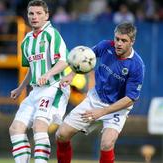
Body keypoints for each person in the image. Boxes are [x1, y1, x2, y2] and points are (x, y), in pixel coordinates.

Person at [56, 22, 145, 163]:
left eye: (124, 40)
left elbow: (130, 98)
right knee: (61, 134)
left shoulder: (137, 65)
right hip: (95, 99)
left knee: (107, 143)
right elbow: (83, 57)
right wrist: (71, 75)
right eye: (117, 39)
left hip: (117, 108)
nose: (118, 43)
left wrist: (103, 112)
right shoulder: (105, 46)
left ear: (132, 41)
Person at [9, 0, 70, 163]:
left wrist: (48, 74)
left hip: (53, 87)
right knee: (15, 129)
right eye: (31, 13)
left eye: (38, 13)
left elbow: (64, 61)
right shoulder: (27, 40)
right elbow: (32, 68)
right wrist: (20, 88)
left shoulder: (52, 34)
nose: (34, 17)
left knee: (39, 126)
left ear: (46, 15)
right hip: (35, 91)